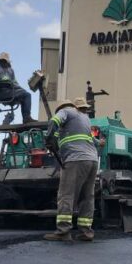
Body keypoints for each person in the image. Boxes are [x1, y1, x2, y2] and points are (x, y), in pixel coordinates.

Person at [43, 98, 98, 242]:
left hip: (75, 159)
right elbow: (94, 141)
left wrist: (48, 137)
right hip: (92, 160)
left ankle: (63, 231)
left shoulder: (66, 111)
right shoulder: (84, 118)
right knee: (87, 196)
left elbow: (54, 121)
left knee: (66, 195)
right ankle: (86, 232)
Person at [0, 52, 34, 124]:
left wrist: (20, 89)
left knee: (25, 95)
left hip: (11, 90)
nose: (3, 62)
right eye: (2, 61)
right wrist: (20, 89)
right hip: (4, 92)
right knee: (27, 95)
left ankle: (26, 118)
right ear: (0, 61)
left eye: (4, 61)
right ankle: (27, 118)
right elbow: (8, 82)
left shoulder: (10, 70)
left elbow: (15, 81)